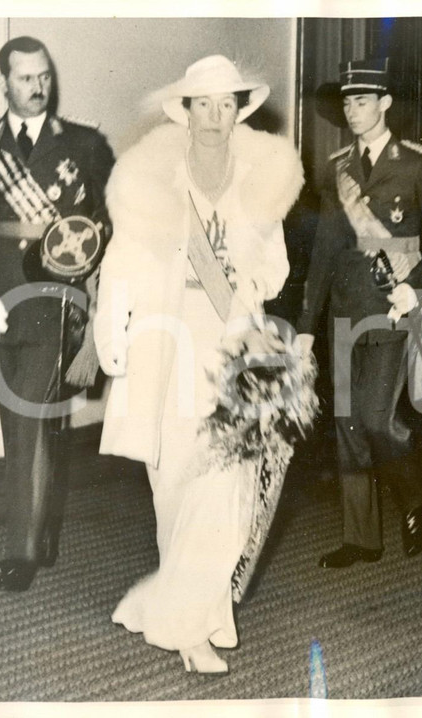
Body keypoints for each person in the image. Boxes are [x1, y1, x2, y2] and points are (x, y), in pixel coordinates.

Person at [94, 55, 304, 674]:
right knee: (176, 484)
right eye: (202, 104)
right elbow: (121, 261)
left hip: (230, 344)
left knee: (228, 485)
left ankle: (188, 627)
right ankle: (188, 612)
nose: (214, 117)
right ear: (184, 113)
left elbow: (277, 264)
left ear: (239, 111)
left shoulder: (256, 182)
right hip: (166, 340)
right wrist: (112, 327)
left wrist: (249, 282)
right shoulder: (153, 183)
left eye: (225, 104)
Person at [0, 36, 115, 592]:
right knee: (21, 421)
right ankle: (42, 527)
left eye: (44, 77)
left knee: (31, 417)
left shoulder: (84, 145)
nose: (38, 88)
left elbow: (111, 222)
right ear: (3, 83)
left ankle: (24, 549)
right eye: (25, 78)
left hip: (57, 296)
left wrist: (93, 286)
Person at [297, 58, 422, 569]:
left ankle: (415, 500)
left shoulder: (417, 163)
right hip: (346, 310)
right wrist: (306, 327)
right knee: (347, 425)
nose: (352, 110)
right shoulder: (336, 168)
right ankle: (361, 537)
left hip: (393, 309)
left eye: (362, 100)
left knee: (376, 418)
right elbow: (325, 250)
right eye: (347, 101)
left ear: (386, 103)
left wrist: (414, 290)